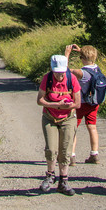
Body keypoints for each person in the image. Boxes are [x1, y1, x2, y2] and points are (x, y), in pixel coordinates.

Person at [37, 54, 81, 195]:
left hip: (68, 118)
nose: (59, 76)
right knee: (51, 149)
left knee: (65, 150)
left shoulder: (72, 79)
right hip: (49, 117)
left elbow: (78, 103)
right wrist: (56, 105)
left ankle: (64, 181)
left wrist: (65, 106)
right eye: (56, 72)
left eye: (61, 73)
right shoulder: (47, 78)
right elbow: (39, 100)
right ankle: (50, 176)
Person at [65, 43, 101, 164]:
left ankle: (72, 156)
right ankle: (94, 154)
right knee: (92, 127)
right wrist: (82, 51)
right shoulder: (97, 69)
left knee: (73, 128)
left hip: (81, 104)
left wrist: (67, 54)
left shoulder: (81, 73)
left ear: (83, 59)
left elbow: (64, 70)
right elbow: (90, 59)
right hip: (94, 103)